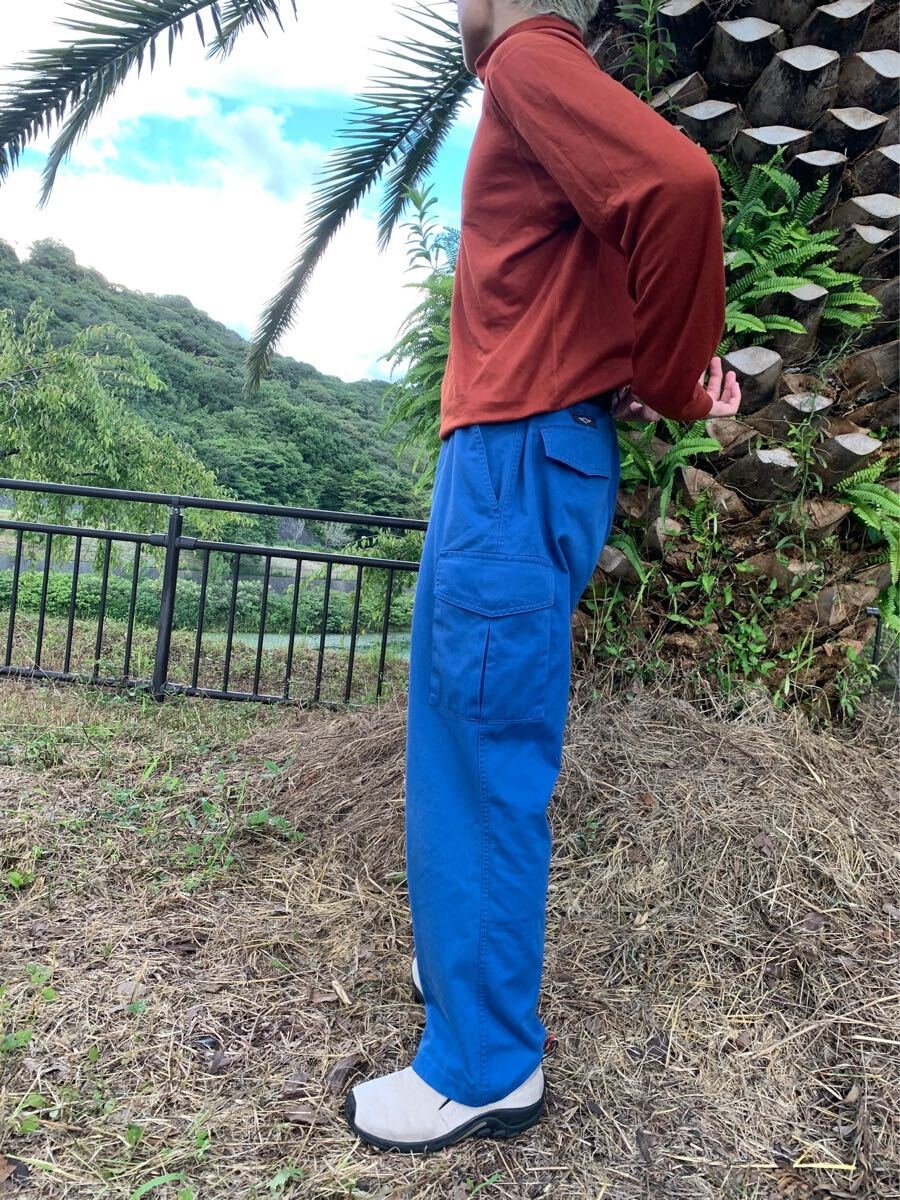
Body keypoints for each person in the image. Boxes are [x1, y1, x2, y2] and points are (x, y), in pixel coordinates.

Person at [346, 0, 742, 1152]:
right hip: (517, 458)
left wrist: (667, 380)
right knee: (460, 738)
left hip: (514, 462)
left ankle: (482, 1066)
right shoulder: (537, 81)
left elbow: (678, 187)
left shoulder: (527, 54)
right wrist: (648, 366)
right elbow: (613, 250)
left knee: (481, 759)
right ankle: (465, 982)